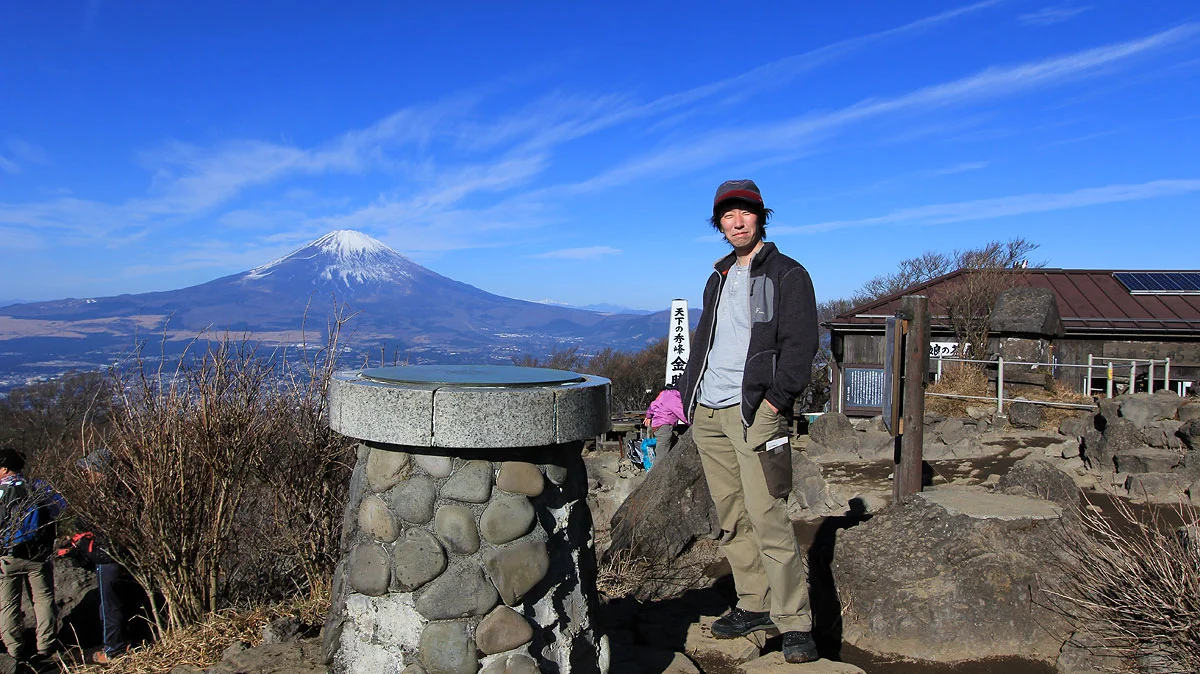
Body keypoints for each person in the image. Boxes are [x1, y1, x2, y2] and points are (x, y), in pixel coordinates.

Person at [680, 179, 820, 664]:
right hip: (708, 411)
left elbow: (801, 345)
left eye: (745, 213)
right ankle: (753, 604)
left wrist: (775, 404)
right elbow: (706, 339)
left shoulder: (787, 274)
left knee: (768, 516)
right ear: (718, 223)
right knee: (732, 517)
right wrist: (685, 395)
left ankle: (795, 621)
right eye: (727, 215)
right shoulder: (718, 276)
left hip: (755, 413)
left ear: (762, 217)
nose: (737, 222)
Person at [0, 448, 58, 661]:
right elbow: (59, 508)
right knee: (43, 599)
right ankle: (45, 647)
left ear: (5, 468)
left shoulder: (0, 490)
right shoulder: (38, 486)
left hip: (8, 556)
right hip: (38, 554)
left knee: (8, 604)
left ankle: (14, 651)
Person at [643, 385, 687, 456]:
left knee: (665, 447)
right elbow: (682, 414)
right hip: (664, 426)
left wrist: (648, 416)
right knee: (662, 455)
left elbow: (652, 406)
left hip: (656, 425)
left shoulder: (662, 395)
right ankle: (658, 464)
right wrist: (692, 422)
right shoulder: (673, 397)